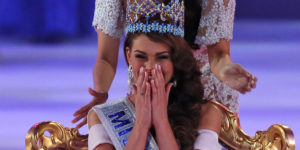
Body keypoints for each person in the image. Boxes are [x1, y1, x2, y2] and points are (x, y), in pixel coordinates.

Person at [72, 0, 257, 129]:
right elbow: (105, 57)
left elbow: (218, 56)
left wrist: (225, 71)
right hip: (147, 94)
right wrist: (100, 91)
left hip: (202, 97)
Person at [88, 2, 223, 148]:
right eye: (141, 56)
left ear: (175, 58)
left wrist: (161, 121)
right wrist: (141, 124)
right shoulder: (101, 117)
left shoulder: (207, 114)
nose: (150, 67)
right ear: (129, 56)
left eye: (162, 57)